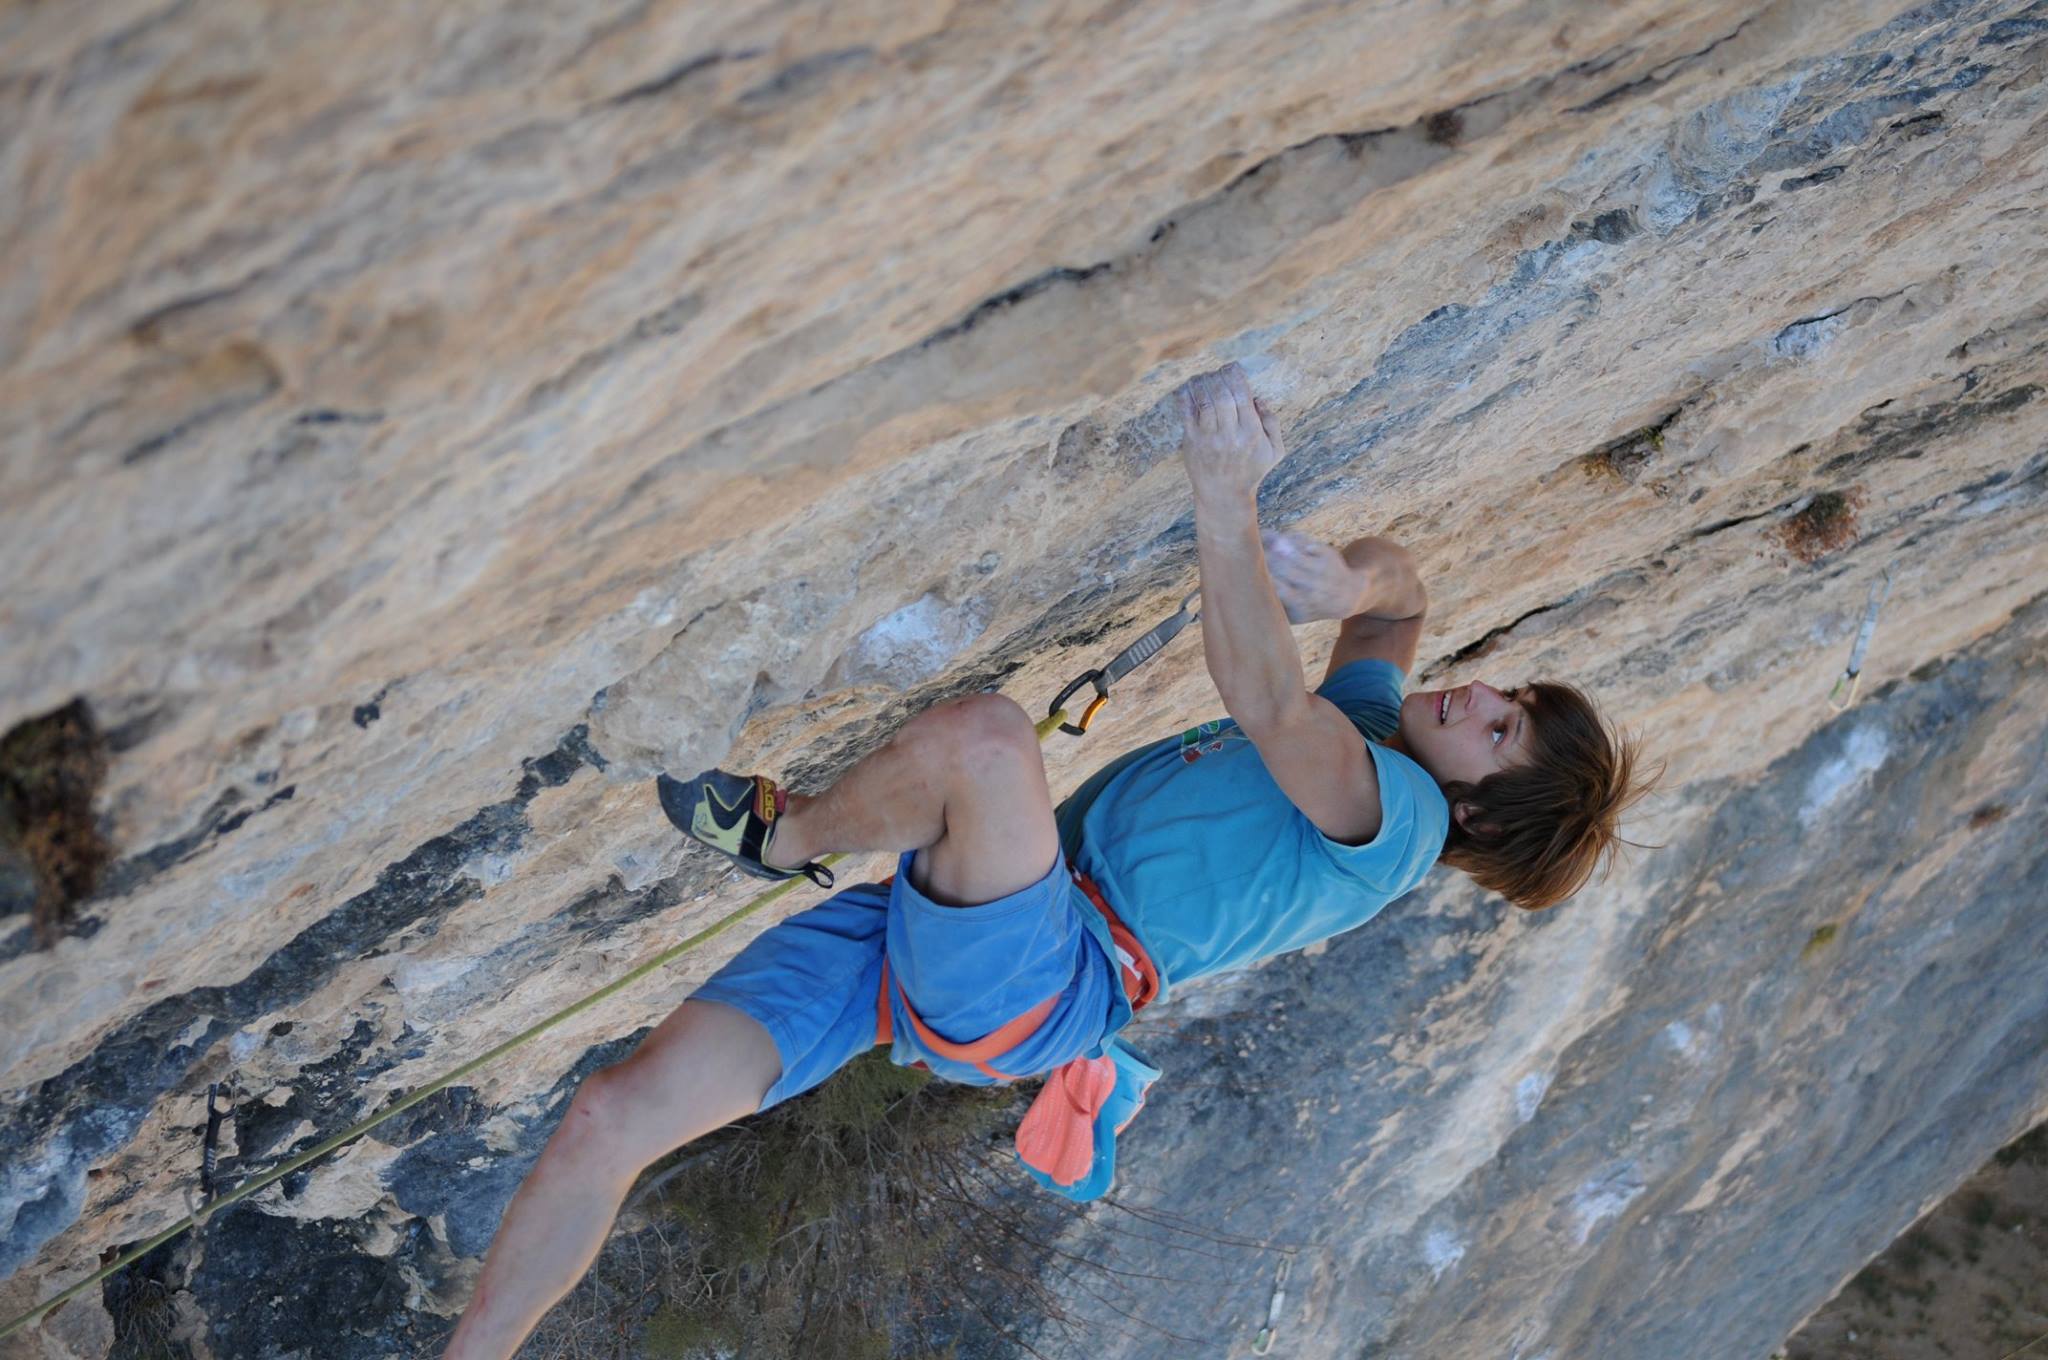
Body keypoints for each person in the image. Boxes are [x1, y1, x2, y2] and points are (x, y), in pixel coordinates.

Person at [441, 363, 1653, 1357]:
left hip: (1043, 974)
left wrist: (1221, 492)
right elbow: (1398, 604)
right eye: (1511, 696)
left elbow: (1268, 699)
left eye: (1500, 732)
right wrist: (1348, 579)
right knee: (610, 1115)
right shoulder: (1391, 731)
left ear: (1481, 819)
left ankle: (789, 835)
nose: (1482, 694)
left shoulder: (1397, 821)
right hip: (968, 960)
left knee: (983, 742)